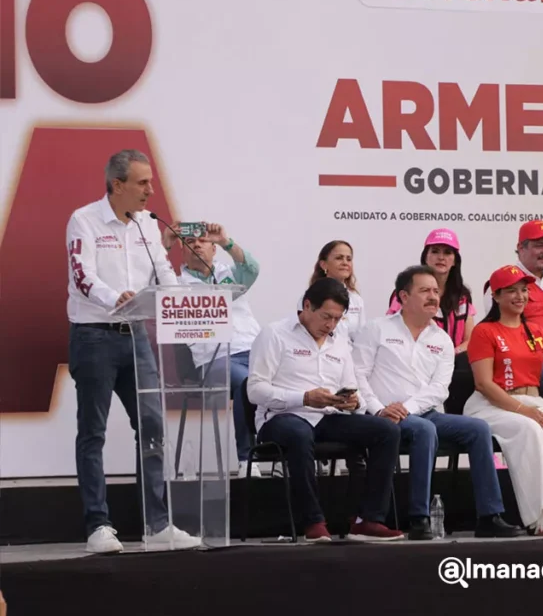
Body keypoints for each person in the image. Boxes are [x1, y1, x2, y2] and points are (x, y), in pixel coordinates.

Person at [65, 149, 200, 553]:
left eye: (151, 182)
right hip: (94, 335)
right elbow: (81, 275)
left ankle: (157, 525)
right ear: (117, 185)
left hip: (137, 335)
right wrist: (115, 297)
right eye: (142, 183)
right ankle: (98, 527)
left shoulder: (146, 224)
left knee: (153, 428)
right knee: (93, 432)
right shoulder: (84, 220)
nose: (150, 190)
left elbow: (164, 272)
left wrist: (186, 303)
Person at [355, 265, 520, 540]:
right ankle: (419, 519)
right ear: (404, 297)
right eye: (424, 291)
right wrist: (379, 409)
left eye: (435, 291)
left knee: (478, 428)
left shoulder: (441, 339)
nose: (433, 297)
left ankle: (490, 516)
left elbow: (439, 389)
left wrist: (406, 408)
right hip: (381, 416)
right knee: (423, 430)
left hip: (423, 413)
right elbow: (358, 375)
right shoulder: (376, 329)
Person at [248, 277, 404, 542]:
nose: (330, 325)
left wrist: (354, 404)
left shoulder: (339, 342)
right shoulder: (275, 334)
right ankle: (313, 522)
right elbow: (255, 390)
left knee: (386, 431)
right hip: (281, 418)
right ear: (307, 305)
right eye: (326, 317)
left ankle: (369, 520)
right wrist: (304, 398)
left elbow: (352, 388)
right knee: (299, 433)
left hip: (327, 416)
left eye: (337, 319)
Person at [466, 265, 543, 536]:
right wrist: (523, 410)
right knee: (530, 430)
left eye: (524, 290)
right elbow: (483, 383)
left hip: (533, 403)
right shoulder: (485, 331)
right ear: (496, 296)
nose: (520, 296)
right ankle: (541, 515)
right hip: (491, 404)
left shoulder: (533, 330)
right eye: (511, 291)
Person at [162, 220, 263, 477]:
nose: (197, 244)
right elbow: (148, 276)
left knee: (285, 376)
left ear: (213, 248)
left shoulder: (229, 275)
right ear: (182, 250)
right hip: (214, 359)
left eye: (203, 241)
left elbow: (252, 268)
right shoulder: (174, 284)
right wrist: (165, 242)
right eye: (189, 242)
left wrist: (225, 241)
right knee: (247, 383)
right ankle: (246, 458)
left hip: (253, 351)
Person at [483, 220, 543, 401]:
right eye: (539, 245)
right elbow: (499, 328)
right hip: (528, 364)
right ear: (521, 248)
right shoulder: (502, 283)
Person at [386, 228, 476, 367]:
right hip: (414, 364)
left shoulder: (462, 296)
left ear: (455, 261)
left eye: (447, 253)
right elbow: (393, 333)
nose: (441, 257)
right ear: (425, 257)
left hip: (454, 365)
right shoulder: (406, 291)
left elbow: (470, 340)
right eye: (435, 251)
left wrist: (449, 354)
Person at [304, 240, 364, 344]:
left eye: (349, 259)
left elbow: (361, 338)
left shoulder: (357, 300)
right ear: (323, 265)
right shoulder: (311, 296)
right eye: (339, 258)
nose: (345, 263)